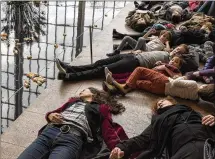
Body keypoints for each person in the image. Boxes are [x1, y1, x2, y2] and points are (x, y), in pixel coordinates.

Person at [17, 87, 128, 159]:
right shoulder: (72, 101)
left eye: (84, 90)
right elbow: (54, 112)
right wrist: (50, 115)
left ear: (93, 94)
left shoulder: (101, 108)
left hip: (72, 139)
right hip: (49, 133)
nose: (81, 91)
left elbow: (108, 130)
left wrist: (117, 148)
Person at [109, 96, 215, 159]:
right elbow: (142, 139)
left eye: (162, 101)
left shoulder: (192, 112)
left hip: (208, 142)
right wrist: (121, 148)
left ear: (173, 102)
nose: (159, 103)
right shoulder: (159, 121)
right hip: (186, 149)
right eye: (157, 107)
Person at [56, 45, 189, 82]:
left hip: (135, 63)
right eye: (177, 49)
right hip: (132, 56)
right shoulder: (165, 51)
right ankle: (70, 68)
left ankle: (70, 77)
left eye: (179, 53)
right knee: (100, 62)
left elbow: (170, 75)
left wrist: (162, 65)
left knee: (101, 69)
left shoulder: (169, 67)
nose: (175, 54)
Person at [105, 67, 215, 102]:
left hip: (165, 82)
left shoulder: (194, 85)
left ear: (206, 87)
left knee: (140, 70)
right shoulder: (196, 98)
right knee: (137, 83)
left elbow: (176, 82)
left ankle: (122, 86)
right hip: (161, 92)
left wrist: (183, 77)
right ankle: (117, 86)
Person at [103, 56, 182, 86]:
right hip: (150, 72)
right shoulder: (166, 64)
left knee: (134, 78)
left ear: (179, 66)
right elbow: (155, 68)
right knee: (131, 74)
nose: (172, 62)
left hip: (154, 78)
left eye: (176, 62)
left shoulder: (176, 70)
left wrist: (165, 68)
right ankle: (112, 75)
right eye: (172, 60)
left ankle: (114, 81)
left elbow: (176, 77)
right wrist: (157, 64)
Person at [107, 29, 172, 57]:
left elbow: (168, 51)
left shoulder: (163, 46)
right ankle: (117, 51)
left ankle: (133, 52)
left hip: (146, 51)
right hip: (142, 46)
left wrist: (167, 43)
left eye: (166, 37)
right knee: (127, 37)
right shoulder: (155, 38)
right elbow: (144, 37)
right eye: (163, 35)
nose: (164, 37)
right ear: (160, 35)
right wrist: (149, 32)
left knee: (141, 39)